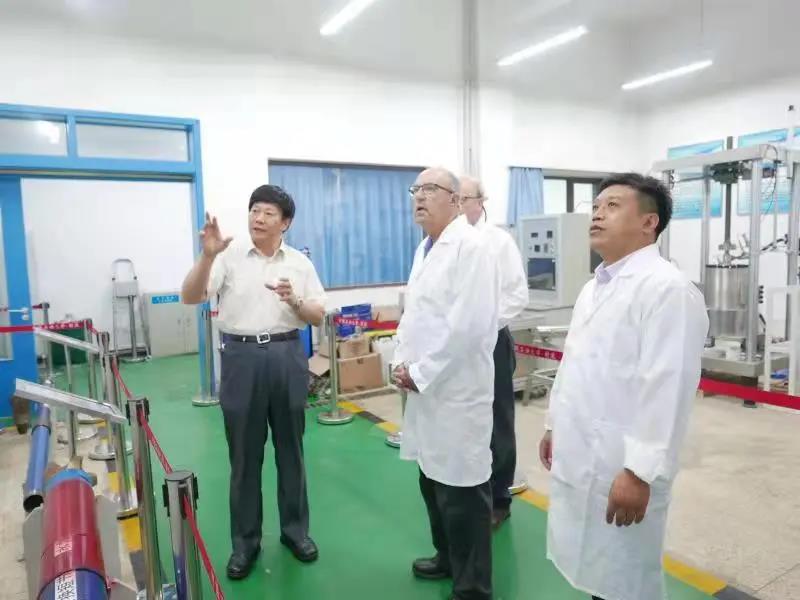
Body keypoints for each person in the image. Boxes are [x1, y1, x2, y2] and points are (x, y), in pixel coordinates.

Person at [538, 173, 709, 600]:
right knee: (595, 571)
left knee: (625, 579)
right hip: (582, 449)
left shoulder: (668, 290)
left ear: (649, 222)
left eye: (612, 206)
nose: (597, 214)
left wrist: (639, 471)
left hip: (623, 462)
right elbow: (573, 364)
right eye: (596, 206)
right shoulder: (593, 288)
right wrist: (554, 424)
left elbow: (667, 389)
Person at [181, 184, 326, 579]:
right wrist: (207, 256)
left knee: (291, 451)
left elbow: (317, 315)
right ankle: (245, 543)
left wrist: (295, 301)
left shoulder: (299, 263)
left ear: (285, 223)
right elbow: (190, 296)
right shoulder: (227, 257)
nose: (258, 218)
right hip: (240, 358)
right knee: (244, 457)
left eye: (268, 213)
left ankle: (296, 532)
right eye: (254, 210)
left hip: (286, 355)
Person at [393, 167, 499, 600]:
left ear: (455, 201)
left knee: (463, 491)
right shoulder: (425, 249)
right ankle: (447, 557)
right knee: (432, 479)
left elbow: (468, 326)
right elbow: (414, 314)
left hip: (457, 392)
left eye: (430, 189)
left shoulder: (471, 248)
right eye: (416, 189)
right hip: (426, 392)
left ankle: (473, 585)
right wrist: (400, 361)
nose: (419, 196)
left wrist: (420, 372)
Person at [458, 176, 528, 529]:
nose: (458, 206)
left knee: (497, 419)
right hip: (455, 344)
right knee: (464, 416)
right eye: (454, 199)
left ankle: (500, 498)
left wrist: (481, 326)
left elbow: (516, 295)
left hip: (491, 341)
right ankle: (470, 491)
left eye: (463, 198)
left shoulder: (498, 242)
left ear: (480, 201)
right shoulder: (443, 243)